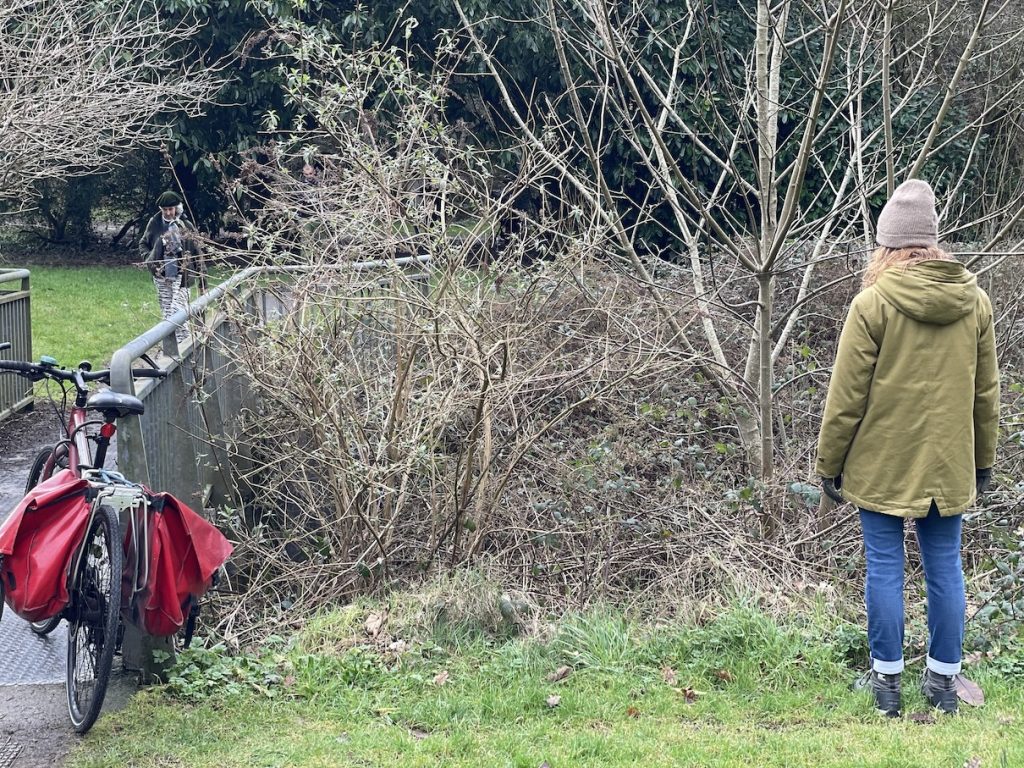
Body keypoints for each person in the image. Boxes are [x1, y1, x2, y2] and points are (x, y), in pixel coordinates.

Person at [816, 179, 1000, 717]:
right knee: (945, 567)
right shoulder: (975, 301)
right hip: (948, 462)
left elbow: (845, 396)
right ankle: (944, 683)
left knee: (884, 567)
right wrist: (983, 459)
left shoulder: (873, 302)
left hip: (882, 461)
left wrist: (829, 464)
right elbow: (985, 394)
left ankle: (886, 684)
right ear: (933, 240)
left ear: (886, 245)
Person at [140, 191, 200, 345]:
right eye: (165, 209)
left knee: (178, 310)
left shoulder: (185, 225)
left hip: (182, 275)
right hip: (162, 275)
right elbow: (143, 243)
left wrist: (202, 276)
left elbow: (197, 251)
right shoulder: (155, 223)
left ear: (177, 208)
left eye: (171, 209)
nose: (168, 213)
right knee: (167, 312)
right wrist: (150, 260)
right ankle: (173, 349)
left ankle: (186, 344)